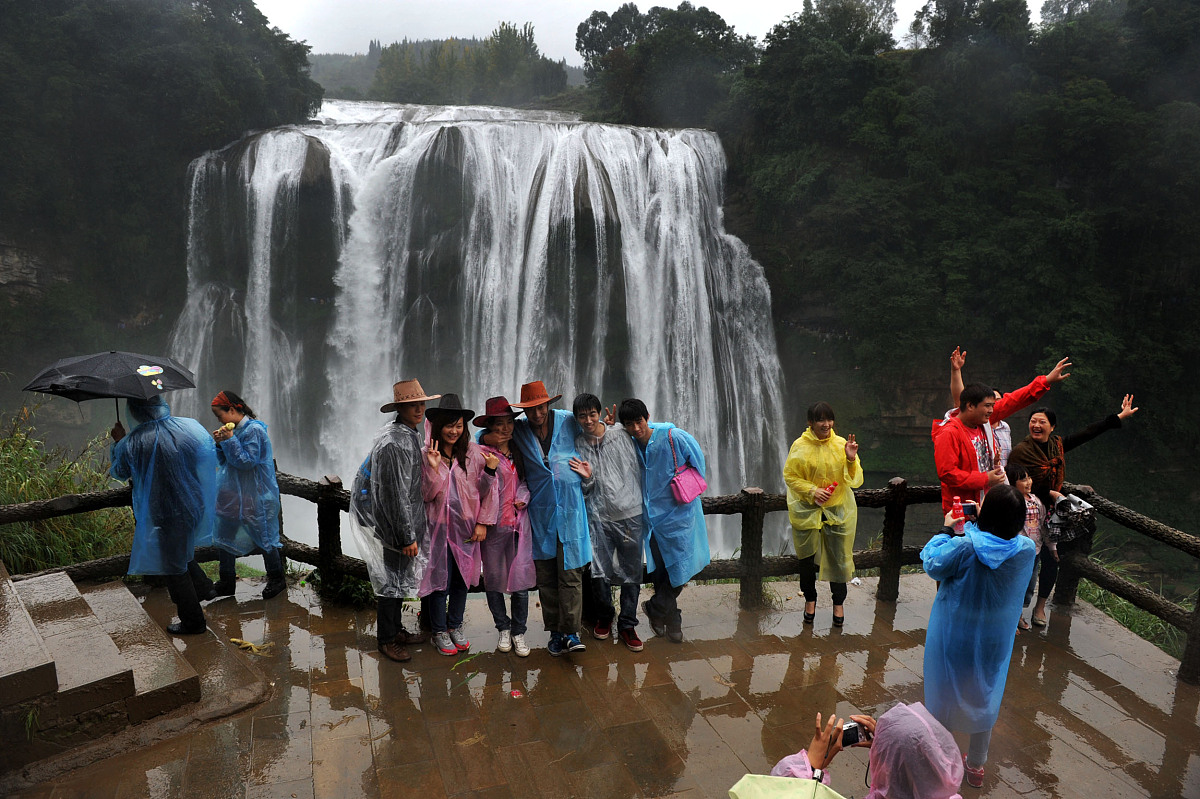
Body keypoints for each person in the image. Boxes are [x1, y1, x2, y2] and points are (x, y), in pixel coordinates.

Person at [921, 484, 1036, 788]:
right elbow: (999, 543)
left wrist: (947, 529)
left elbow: (933, 563)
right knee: (984, 695)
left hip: (955, 637)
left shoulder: (965, 547)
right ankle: (976, 765)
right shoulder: (1026, 550)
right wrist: (977, 527)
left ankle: (940, 761)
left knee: (945, 693)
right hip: (993, 641)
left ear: (988, 514)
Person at [1008, 394, 1139, 626]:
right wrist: (1050, 492)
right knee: (1025, 563)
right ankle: (1017, 610)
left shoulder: (1057, 446)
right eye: (1033, 421)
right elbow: (1015, 482)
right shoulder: (1021, 451)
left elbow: (1086, 433)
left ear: (1052, 427)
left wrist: (1118, 417)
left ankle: (1040, 607)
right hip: (1028, 513)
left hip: (1054, 513)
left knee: (1052, 560)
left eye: (1042, 422)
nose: (1036, 425)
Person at [347, 379, 438, 663]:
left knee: (397, 581)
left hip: (400, 526)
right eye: (412, 405)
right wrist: (406, 536)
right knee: (390, 584)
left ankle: (396, 630)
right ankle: (386, 639)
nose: (419, 409)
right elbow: (395, 495)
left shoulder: (406, 434)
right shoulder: (395, 442)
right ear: (400, 408)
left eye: (421, 404)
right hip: (396, 529)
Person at [109, 396, 217, 635]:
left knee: (173, 567)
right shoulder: (189, 427)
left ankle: (193, 622)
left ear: (134, 411)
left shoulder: (134, 442)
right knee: (178, 551)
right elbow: (206, 454)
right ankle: (204, 587)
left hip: (167, 511)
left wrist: (118, 443)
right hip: (194, 503)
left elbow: (119, 471)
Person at [617, 398, 710, 643]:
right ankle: (672, 620)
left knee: (682, 569)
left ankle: (655, 608)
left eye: (639, 421)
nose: (636, 428)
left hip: (681, 517)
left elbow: (698, 463)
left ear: (647, 417)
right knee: (662, 572)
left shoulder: (673, 436)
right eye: (629, 424)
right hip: (653, 522)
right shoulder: (630, 444)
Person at [933, 352, 1073, 513]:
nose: (991, 410)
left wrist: (1046, 380)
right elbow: (948, 474)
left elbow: (1014, 401)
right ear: (970, 406)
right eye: (987, 406)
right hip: (964, 510)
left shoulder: (983, 422)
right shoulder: (949, 433)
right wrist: (985, 479)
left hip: (991, 503)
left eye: (993, 406)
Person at [510, 380, 590, 656]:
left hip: (570, 510)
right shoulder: (519, 429)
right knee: (546, 577)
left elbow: (595, 430)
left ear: (548, 404)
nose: (537, 414)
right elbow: (486, 434)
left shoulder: (569, 420)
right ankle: (555, 634)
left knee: (571, 574)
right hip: (541, 515)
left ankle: (571, 632)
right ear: (524, 411)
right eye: (531, 409)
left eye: (541, 407)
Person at [420, 395, 498, 656]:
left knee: (461, 581)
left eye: (459, 425)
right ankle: (438, 632)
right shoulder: (427, 455)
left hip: (466, 530)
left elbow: (486, 491)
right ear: (438, 426)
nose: (454, 431)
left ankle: (454, 625)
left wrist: (483, 522)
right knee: (439, 582)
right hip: (438, 531)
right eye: (449, 425)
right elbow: (426, 495)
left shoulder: (474, 453)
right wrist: (434, 468)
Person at [569, 393, 646, 652]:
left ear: (600, 412)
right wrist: (588, 479)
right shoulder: (578, 444)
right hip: (598, 519)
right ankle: (605, 616)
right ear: (576, 419)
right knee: (598, 573)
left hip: (629, 515)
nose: (588, 420)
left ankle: (628, 624)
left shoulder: (621, 434)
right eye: (582, 416)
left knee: (631, 572)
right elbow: (584, 487)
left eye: (592, 414)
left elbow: (647, 431)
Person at [763, 703, 964, 799]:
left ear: (887, 768)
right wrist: (892, 749)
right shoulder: (944, 790)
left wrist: (812, 765)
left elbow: (775, 793)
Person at [782, 402, 862, 627]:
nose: (826, 424)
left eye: (829, 419)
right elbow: (790, 476)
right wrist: (812, 491)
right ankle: (810, 600)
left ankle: (839, 604)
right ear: (810, 422)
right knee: (806, 560)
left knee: (839, 558)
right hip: (807, 511)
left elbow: (854, 479)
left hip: (837, 511)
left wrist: (850, 459)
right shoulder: (800, 446)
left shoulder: (841, 444)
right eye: (820, 420)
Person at [474, 396, 536, 658]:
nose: (505, 428)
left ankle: (519, 631)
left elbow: (527, 481)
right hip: (492, 527)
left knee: (520, 582)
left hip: (518, 526)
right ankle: (503, 627)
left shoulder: (520, 449)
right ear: (489, 426)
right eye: (499, 423)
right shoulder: (480, 452)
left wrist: (523, 496)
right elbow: (477, 489)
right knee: (493, 580)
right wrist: (489, 470)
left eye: (509, 422)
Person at [208, 390, 285, 600]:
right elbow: (226, 462)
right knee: (225, 533)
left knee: (264, 535)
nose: (219, 420)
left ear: (232, 410)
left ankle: (277, 578)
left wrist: (229, 440)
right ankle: (226, 581)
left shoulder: (254, 431)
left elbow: (247, 462)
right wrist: (220, 445)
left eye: (220, 415)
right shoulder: (235, 431)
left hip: (256, 494)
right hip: (233, 494)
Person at [948, 348, 1012, 469]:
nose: (993, 408)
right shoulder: (977, 424)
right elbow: (960, 400)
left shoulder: (1005, 427)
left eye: (997, 403)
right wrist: (956, 371)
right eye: (988, 405)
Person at [1005, 463, 1050, 631]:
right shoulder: (1012, 501)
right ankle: (1014, 617)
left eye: (1029, 477)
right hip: (1017, 551)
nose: (1028, 482)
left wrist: (1051, 546)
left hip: (1035, 550)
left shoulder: (1036, 501)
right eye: (1023, 479)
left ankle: (1018, 612)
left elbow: (1043, 523)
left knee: (1029, 583)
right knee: (1015, 583)